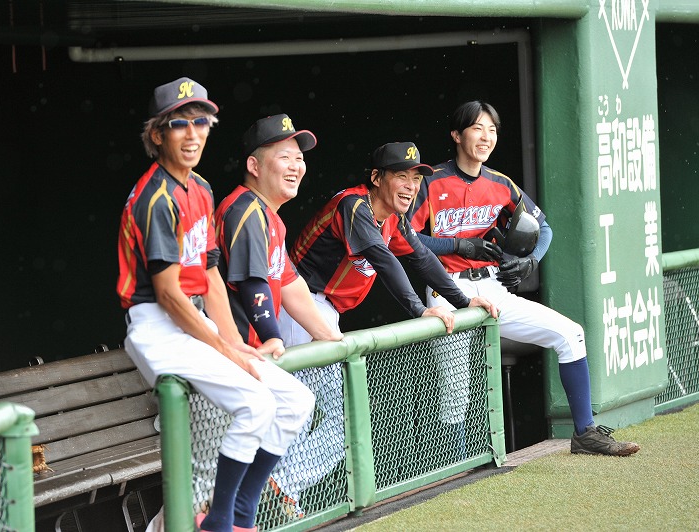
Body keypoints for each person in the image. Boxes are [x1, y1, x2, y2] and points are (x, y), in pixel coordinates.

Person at [117, 77, 315, 532]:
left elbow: (208, 276)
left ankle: (238, 514)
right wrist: (226, 348)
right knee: (254, 405)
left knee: (296, 401)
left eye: (201, 123)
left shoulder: (201, 189)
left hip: (194, 322)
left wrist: (231, 341)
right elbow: (168, 294)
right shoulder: (155, 197)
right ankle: (221, 522)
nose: (193, 134)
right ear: (157, 134)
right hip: (157, 326)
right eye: (180, 124)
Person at [274, 141, 499, 516]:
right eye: (401, 176)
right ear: (377, 178)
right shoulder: (354, 205)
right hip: (299, 306)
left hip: (321, 311)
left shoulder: (393, 218)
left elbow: (422, 258)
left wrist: (463, 301)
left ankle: (279, 486)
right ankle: (274, 485)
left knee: (328, 413)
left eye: (416, 178)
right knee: (315, 410)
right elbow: (383, 259)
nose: (411, 186)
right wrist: (418, 309)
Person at [408, 100, 640, 456]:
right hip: (447, 285)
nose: (486, 137)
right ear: (456, 135)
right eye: (477, 128)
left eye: (492, 130)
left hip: (492, 286)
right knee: (455, 390)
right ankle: (455, 468)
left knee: (571, 334)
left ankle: (585, 433)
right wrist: (458, 244)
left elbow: (543, 228)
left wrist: (531, 261)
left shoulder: (500, 184)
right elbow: (404, 237)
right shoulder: (431, 181)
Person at [214, 114, 345, 519]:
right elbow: (252, 283)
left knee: (208, 492)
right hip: (226, 362)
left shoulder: (269, 216)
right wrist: (272, 334)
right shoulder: (243, 210)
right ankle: (251, 504)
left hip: (246, 364)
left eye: (299, 158)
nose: (296, 165)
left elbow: (290, 286)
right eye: (284, 157)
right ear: (254, 166)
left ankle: (253, 504)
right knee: (201, 489)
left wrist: (329, 336)